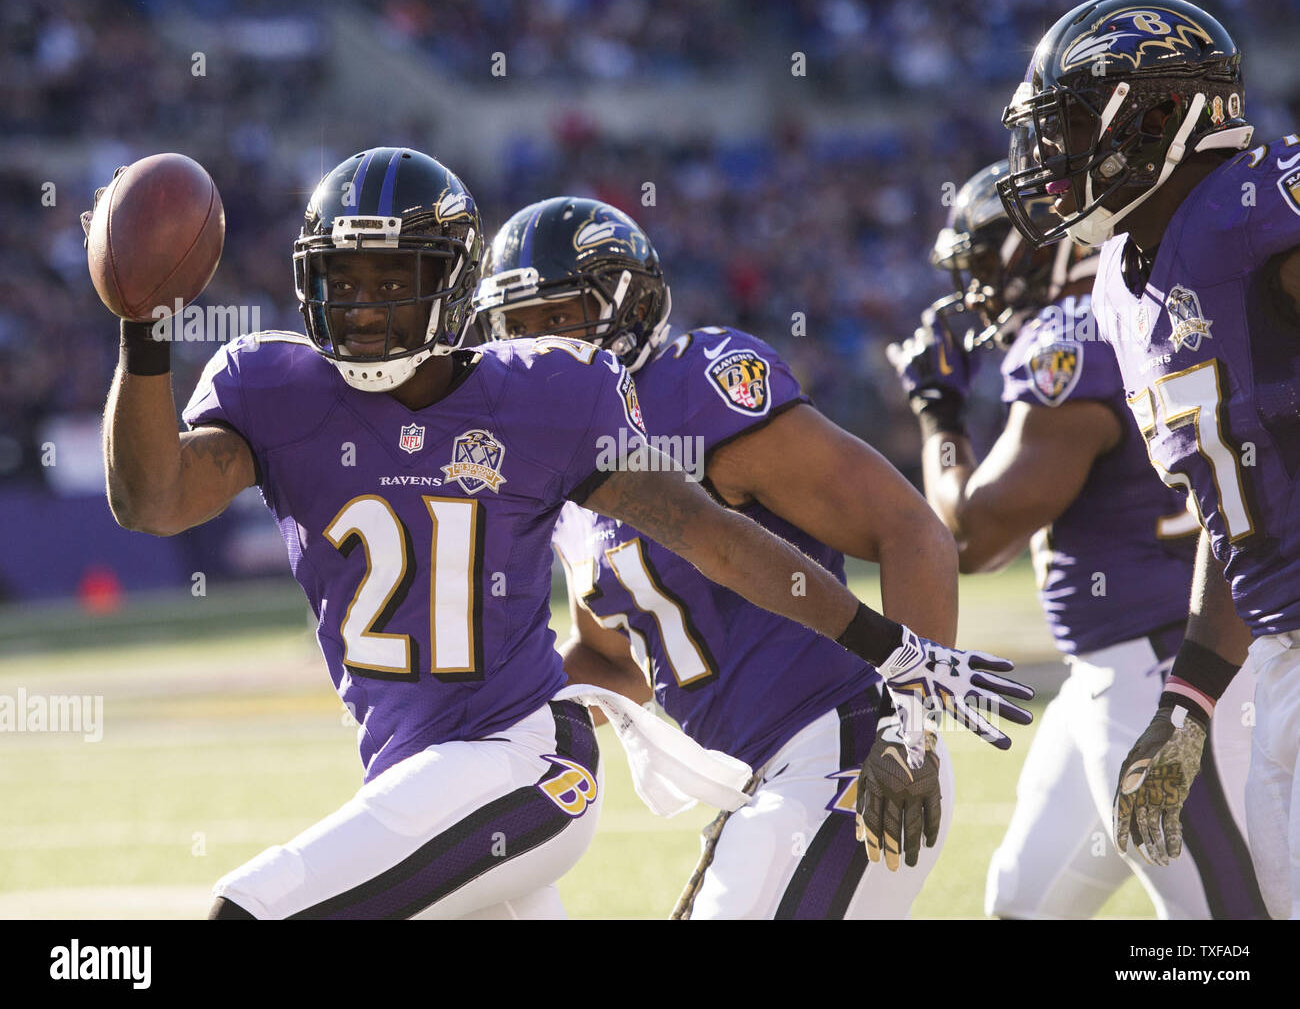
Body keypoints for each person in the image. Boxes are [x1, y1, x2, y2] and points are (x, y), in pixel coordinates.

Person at [92, 149, 1026, 919]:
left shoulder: (640, 395)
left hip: (773, 749)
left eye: (394, 279)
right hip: (587, 777)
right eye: (346, 281)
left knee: (251, 911)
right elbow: (610, 652)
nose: (367, 306)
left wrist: (907, 687)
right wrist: (142, 335)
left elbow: (757, 538)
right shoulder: (310, 395)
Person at [473, 195, 1028, 918]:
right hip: (759, 786)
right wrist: (483, 716)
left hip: (852, 745)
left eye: (559, 318)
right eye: (518, 328)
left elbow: (910, 528)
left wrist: (913, 730)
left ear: (629, 308)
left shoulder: (694, 389)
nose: (541, 347)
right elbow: (614, 658)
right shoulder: (568, 477)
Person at [889, 160, 1263, 918]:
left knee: (1221, 923)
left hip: (1161, 664)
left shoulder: (1072, 337)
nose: (979, 289)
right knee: (1021, 902)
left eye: (988, 260)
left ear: (1045, 249)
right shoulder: (1135, 303)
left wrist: (938, 412)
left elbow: (971, 538)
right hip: (1113, 667)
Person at [1000, 0, 1300, 919]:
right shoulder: (1125, 285)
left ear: (1161, 113)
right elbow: (1230, 502)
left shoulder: (1260, 208)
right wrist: (1189, 700)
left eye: (1074, 125)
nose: (1050, 158)